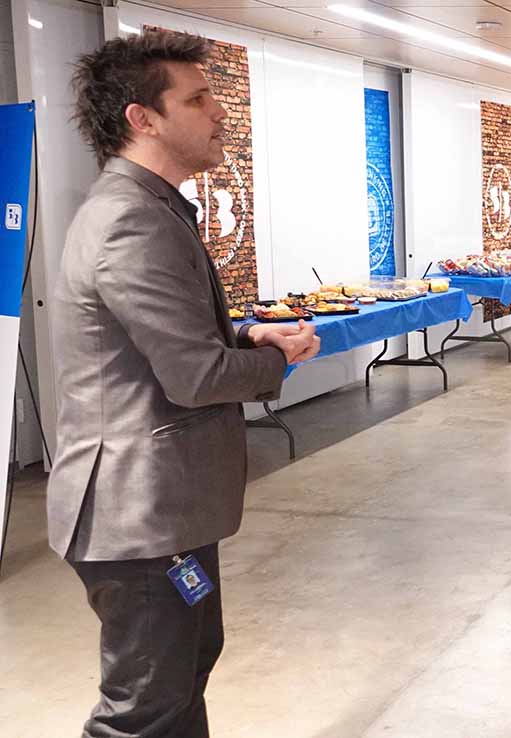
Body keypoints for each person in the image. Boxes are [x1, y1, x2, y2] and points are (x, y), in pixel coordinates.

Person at [52, 31, 321, 737]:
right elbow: (196, 376)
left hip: (163, 513)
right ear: (144, 119)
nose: (220, 112)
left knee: (180, 680)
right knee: (142, 711)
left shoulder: (153, 208)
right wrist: (279, 361)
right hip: (136, 518)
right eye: (198, 99)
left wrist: (250, 337)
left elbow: (167, 346)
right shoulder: (129, 222)